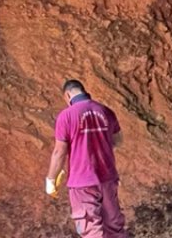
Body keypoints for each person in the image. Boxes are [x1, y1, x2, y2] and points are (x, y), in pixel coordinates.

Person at [46, 79, 128, 238]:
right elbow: (118, 140)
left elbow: (59, 152)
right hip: (107, 178)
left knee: (90, 229)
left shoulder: (67, 116)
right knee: (114, 226)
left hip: (82, 182)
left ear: (67, 95)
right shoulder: (106, 111)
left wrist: (50, 179)